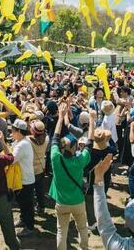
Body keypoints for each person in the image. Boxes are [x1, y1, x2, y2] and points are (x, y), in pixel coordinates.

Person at [50, 101, 91, 250]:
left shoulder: (55, 157)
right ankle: (84, 248)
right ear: (75, 148)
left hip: (61, 202)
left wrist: (60, 117)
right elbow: (90, 143)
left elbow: (55, 137)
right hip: (78, 201)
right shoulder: (80, 160)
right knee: (82, 228)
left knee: (61, 230)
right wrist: (92, 120)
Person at [9, 118, 37, 235]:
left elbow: (11, 160)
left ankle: (29, 227)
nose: (11, 132)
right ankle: (23, 220)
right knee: (22, 202)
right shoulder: (22, 142)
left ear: (19, 131)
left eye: (13, 130)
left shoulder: (22, 145)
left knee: (26, 205)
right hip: (24, 178)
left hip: (25, 180)